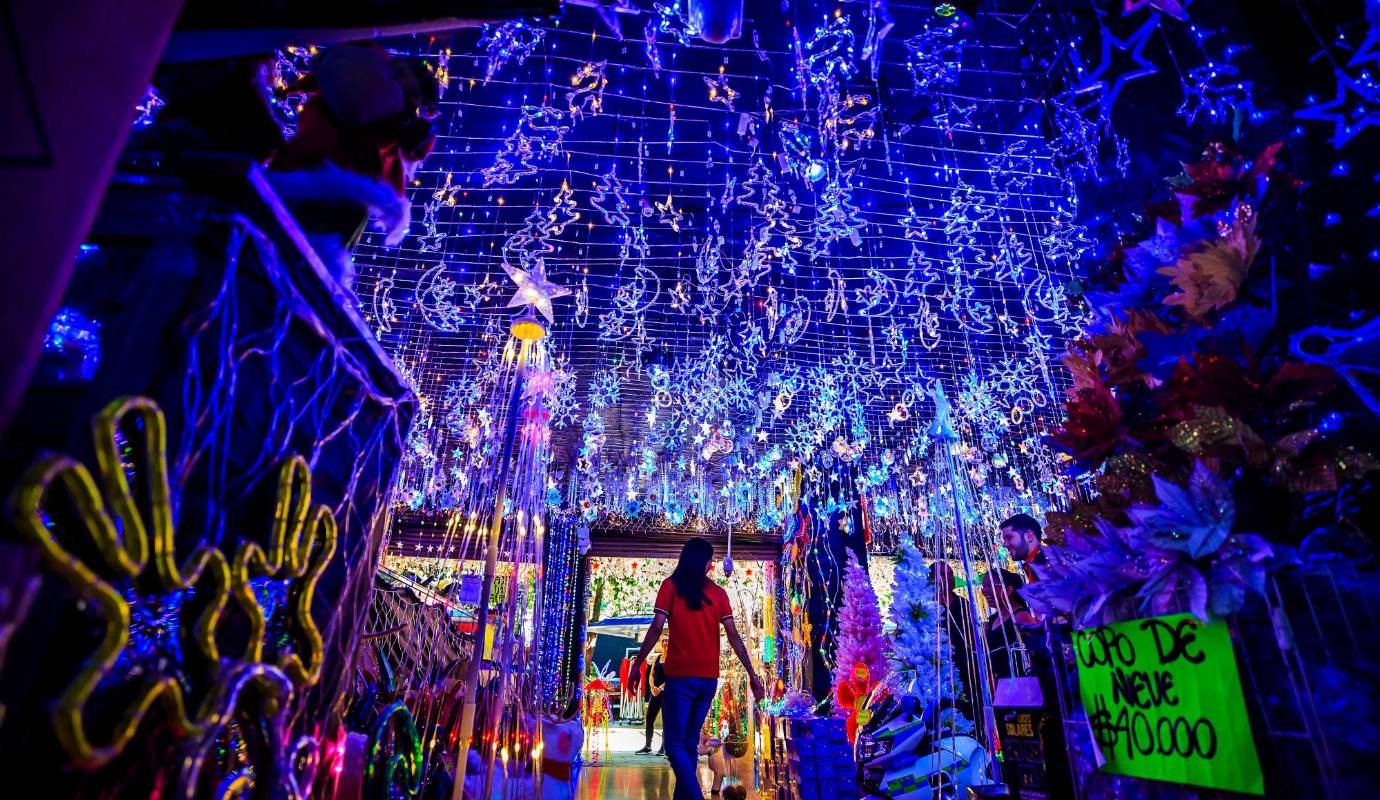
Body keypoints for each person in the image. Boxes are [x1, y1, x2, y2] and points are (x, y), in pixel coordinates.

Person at [630, 538, 765, 800]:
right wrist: (752, 673)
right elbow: (734, 636)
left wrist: (638, 663)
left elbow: (657, 627)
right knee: (688, 745)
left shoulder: (670, 587)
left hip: (680, 678)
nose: (711, 564)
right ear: (701, 562)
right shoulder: (718, 594)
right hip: (707, 680)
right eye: (710, 559)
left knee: (674, 745)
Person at [636, 636, 669, 755]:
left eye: (667, 640)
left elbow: (673, 676)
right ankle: (648, 745)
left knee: (667, 721)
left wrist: (661, 687)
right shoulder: (657, 658)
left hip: (667, 693)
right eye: (663, 641)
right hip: (655, 693)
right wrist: (652, 687)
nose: (665, 642)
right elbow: (651, 675)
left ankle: (664, 747)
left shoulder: (674, 657)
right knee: (649, 718)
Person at [999, 513, 1046, 583]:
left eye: (1009, 538)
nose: (1004, 544)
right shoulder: (1035, 566)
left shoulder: (1046, 567)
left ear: (1029, 536)